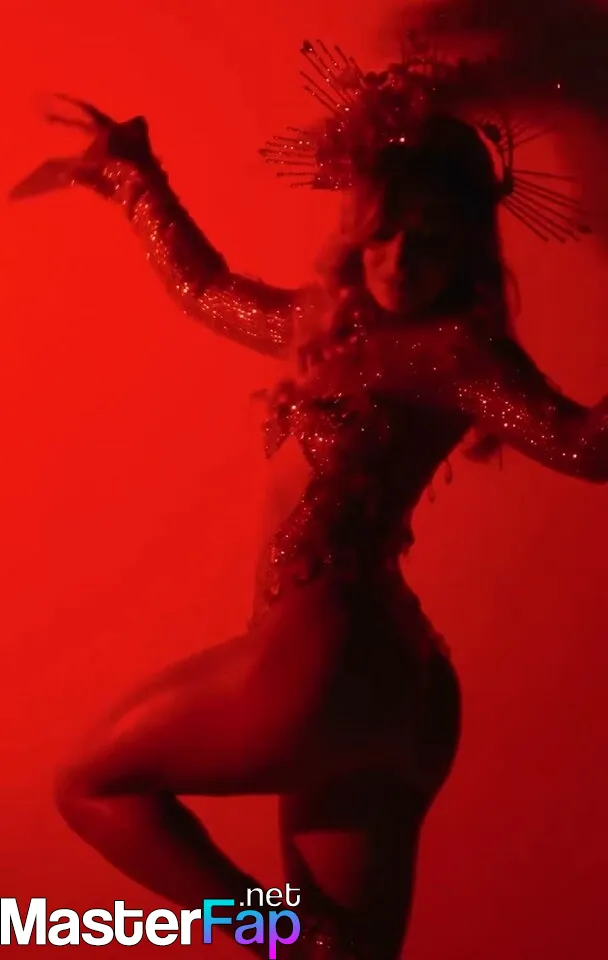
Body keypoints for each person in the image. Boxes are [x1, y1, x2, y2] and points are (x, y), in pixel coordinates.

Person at [9, 37, 608, 960]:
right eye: (385, 231)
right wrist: (134, 173)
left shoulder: (459, 354)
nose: (400, 259)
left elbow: (584, 445)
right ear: (358, 225)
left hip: (324, 672)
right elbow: (205, 287)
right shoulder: (326, 328)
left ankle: (279, 939)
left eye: (431, 239)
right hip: (403, 695)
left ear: (469, 246)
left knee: (88, 787)